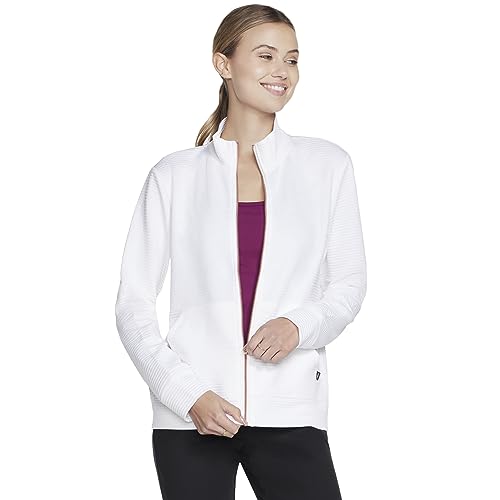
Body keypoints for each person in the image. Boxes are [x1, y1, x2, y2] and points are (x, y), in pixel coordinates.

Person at [115, 4, 367, 499]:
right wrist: (186, 394)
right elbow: (132, 304)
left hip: (291, 409)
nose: (282, 72)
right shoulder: (174, 175)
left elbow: (349, 284)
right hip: (192, 415)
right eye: (266, 56)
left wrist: (298, 325)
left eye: (292, 59)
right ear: (223, 63)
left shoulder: (327, 165)